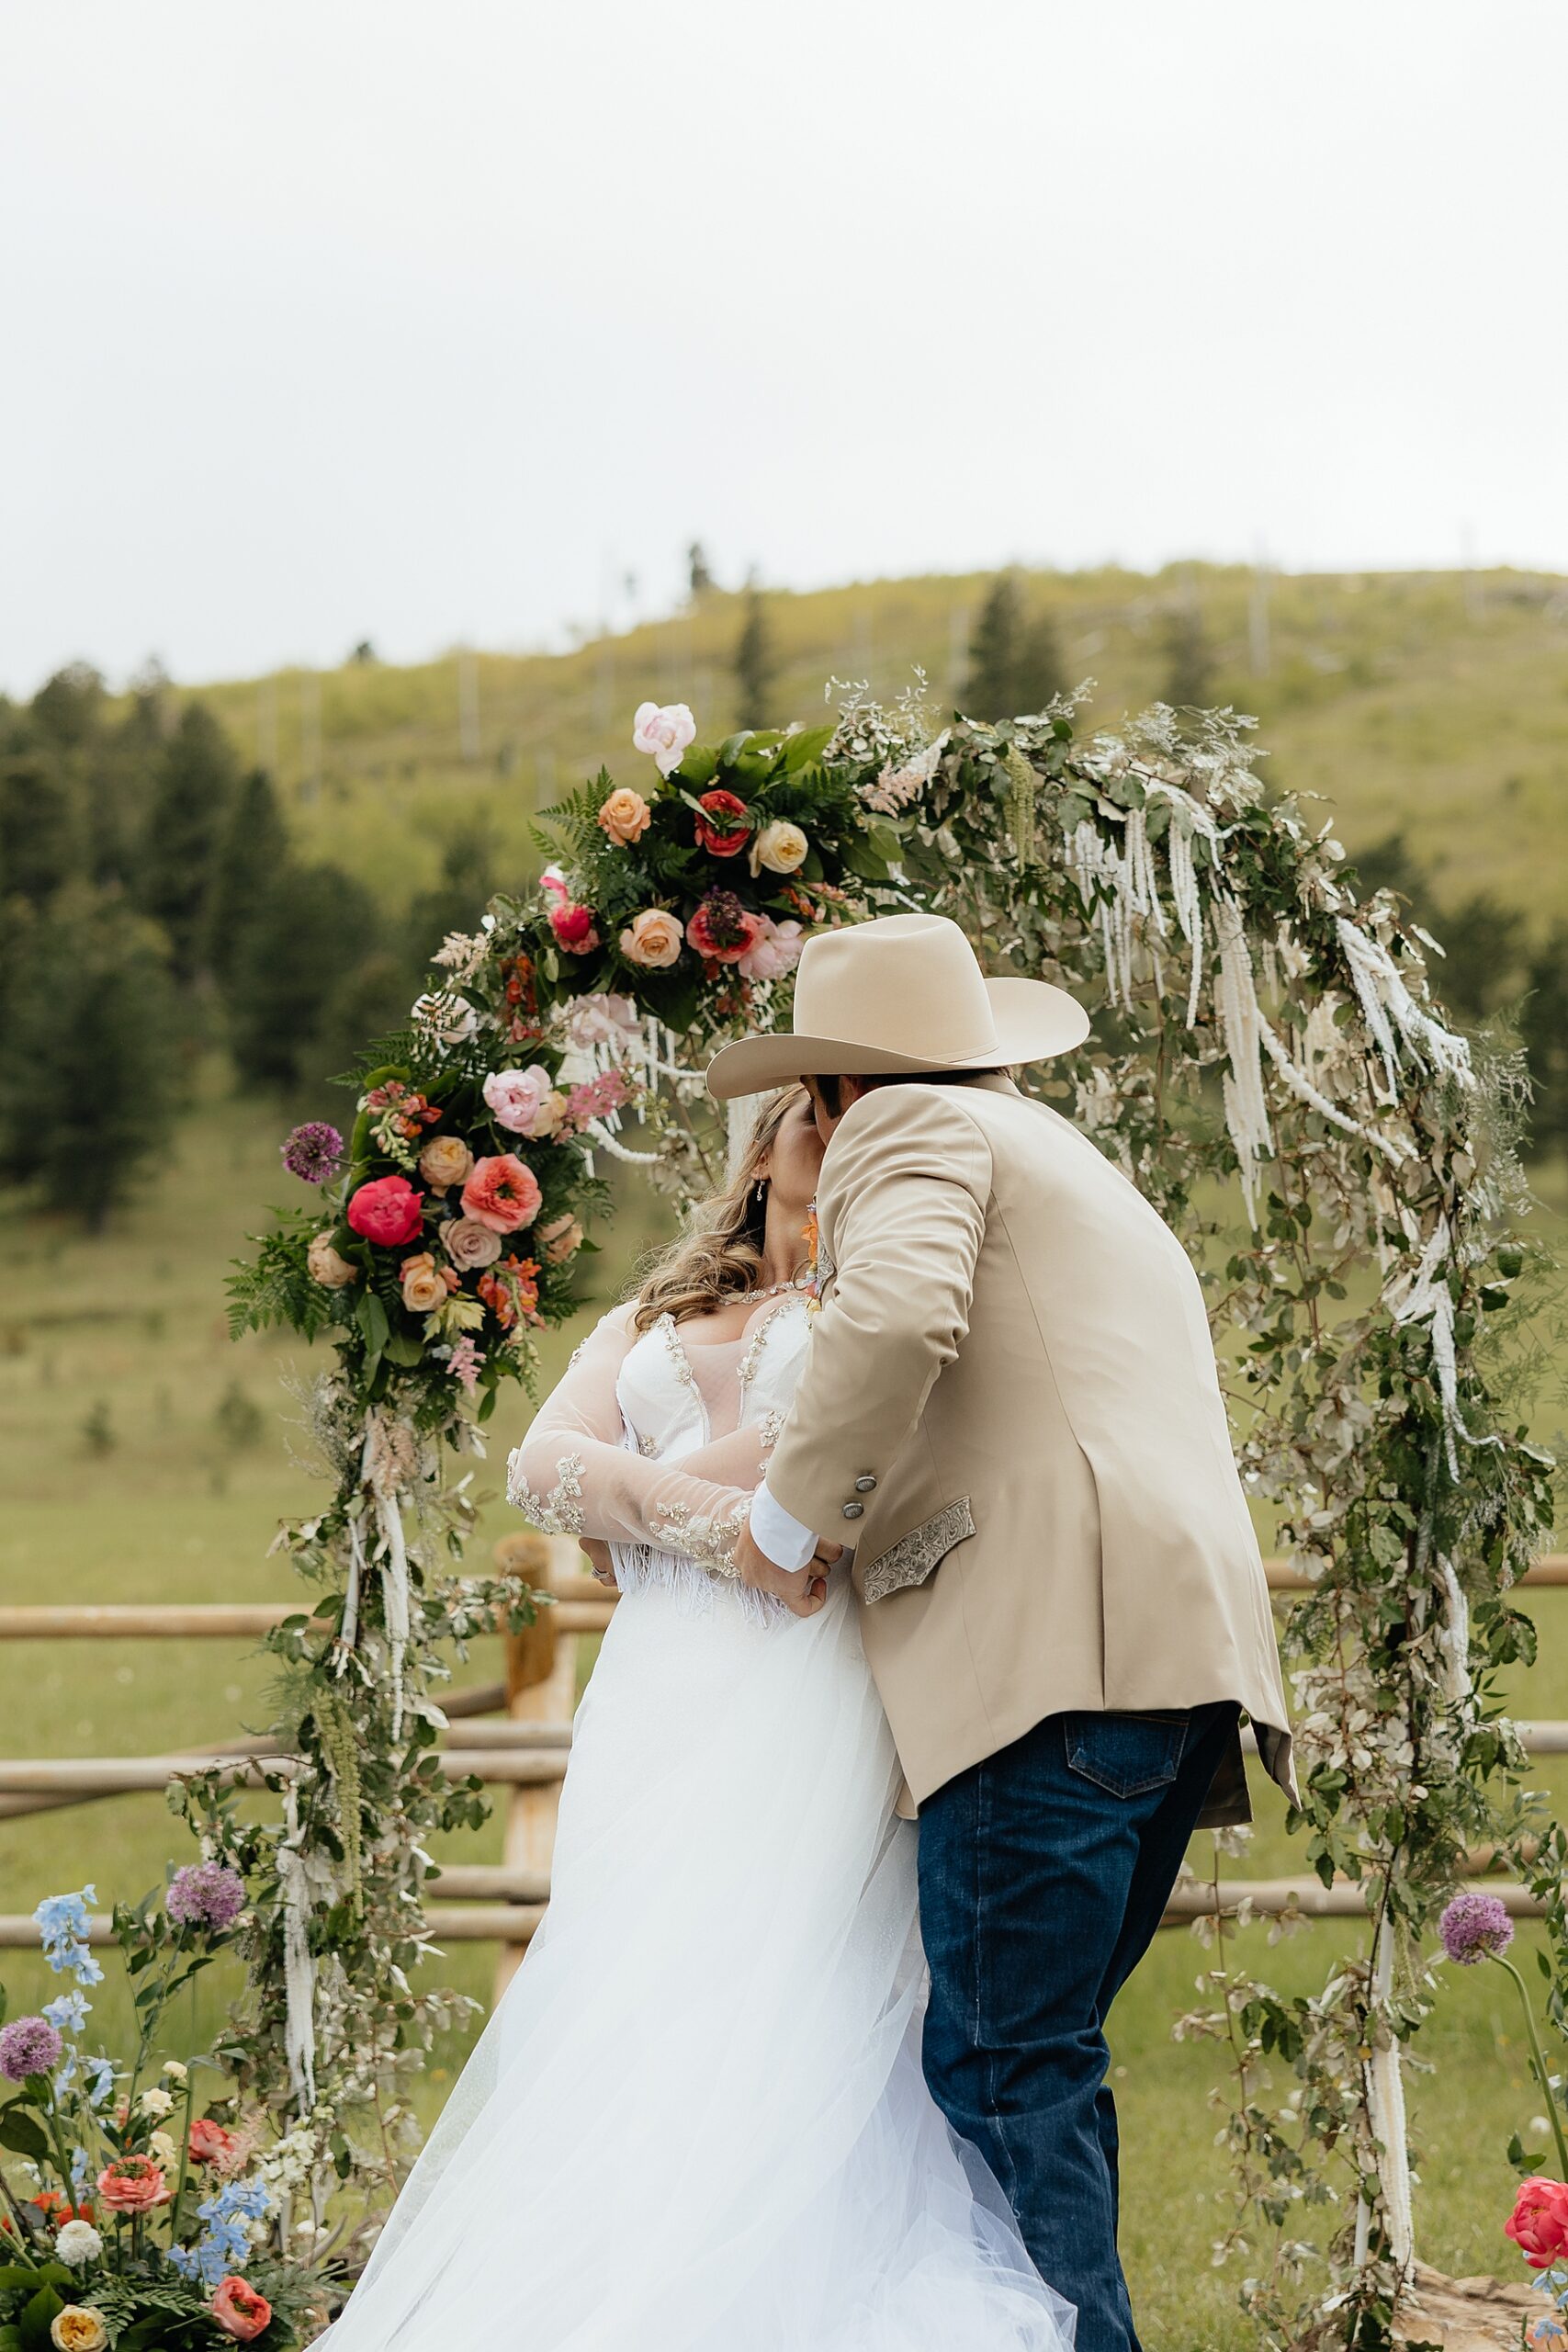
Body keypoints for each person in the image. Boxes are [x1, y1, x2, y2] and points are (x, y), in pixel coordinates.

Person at [316, 1080, 1075, 2349]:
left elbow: (812, 1455)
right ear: (762, 1143)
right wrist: (727, 1532)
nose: (837, 1131)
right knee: (633, 1966)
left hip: (809, 1668)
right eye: (814, 1112)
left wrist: (632, 1501)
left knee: (779, 1966)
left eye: (859, 1116)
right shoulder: (654, 1312)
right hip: (658, 1679)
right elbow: (539, 1468)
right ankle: (626, 2263)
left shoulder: (879, 1309)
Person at [707, 910, 1296, 2352]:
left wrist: (789, 1522)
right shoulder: (1067, 1159)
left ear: (842, 1079)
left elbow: (897, 1320)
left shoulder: (908, 1127)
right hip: (1174, 1660)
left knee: (1000, 2068)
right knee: (1037, 2063)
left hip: (1046, 1658)